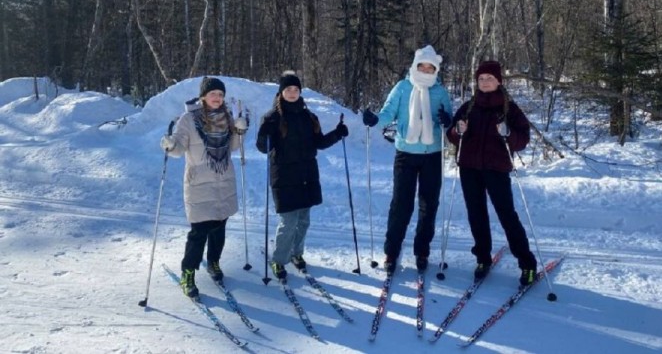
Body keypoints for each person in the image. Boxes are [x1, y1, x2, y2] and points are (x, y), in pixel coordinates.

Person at [362, 45, 453, 273]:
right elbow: (388, 113)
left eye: (429, 66)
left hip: (432, 155)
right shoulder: (402, 87)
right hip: (406, 154)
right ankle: (391, 251)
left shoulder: (440, 91)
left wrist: (447, 119)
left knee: (428, 205)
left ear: (435, 69)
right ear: (414, 66)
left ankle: (422, 251)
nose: (425, 69)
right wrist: (375, 119)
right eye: (421, 65)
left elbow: (448, 120)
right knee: (401, 204)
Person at [446, 60, 537, 286]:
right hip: (469, 168)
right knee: (476, 215)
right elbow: (451, 135)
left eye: (490, 78)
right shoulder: (468, 107)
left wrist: (508, 134)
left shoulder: (509, 109)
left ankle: (527, 264)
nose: (485, 82)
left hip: (497, 169)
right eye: (481, 79)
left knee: (507, 215)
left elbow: (523, 139)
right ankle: (482, 259)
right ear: (476, 82)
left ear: (498, 81)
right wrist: (458, 130)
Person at [256, 71, 348, 281]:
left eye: (295, 89)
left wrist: (338, 133)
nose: (292, 93)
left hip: (306, 175)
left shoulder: (309, 117)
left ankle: (296, 253)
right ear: (281, 92)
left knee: (304, 220)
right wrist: (264, 134)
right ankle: (279, 260)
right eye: (288, 89)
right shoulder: (272, 118)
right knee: (289, 221)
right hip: (284, 176)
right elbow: (262, 147)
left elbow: (320, 143)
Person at [160, 76, 248, 297]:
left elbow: (234, 148)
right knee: (198, 232)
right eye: (213, 94)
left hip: (224, 181)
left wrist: (239, 131)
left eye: (220, 94)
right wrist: (171, 145)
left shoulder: (227, 117)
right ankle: (187, 273)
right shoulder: (188, 119)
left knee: (219, 227)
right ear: (203, 97)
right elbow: (180, 148)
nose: (217, 98)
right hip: (199, 183)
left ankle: (214, 262)